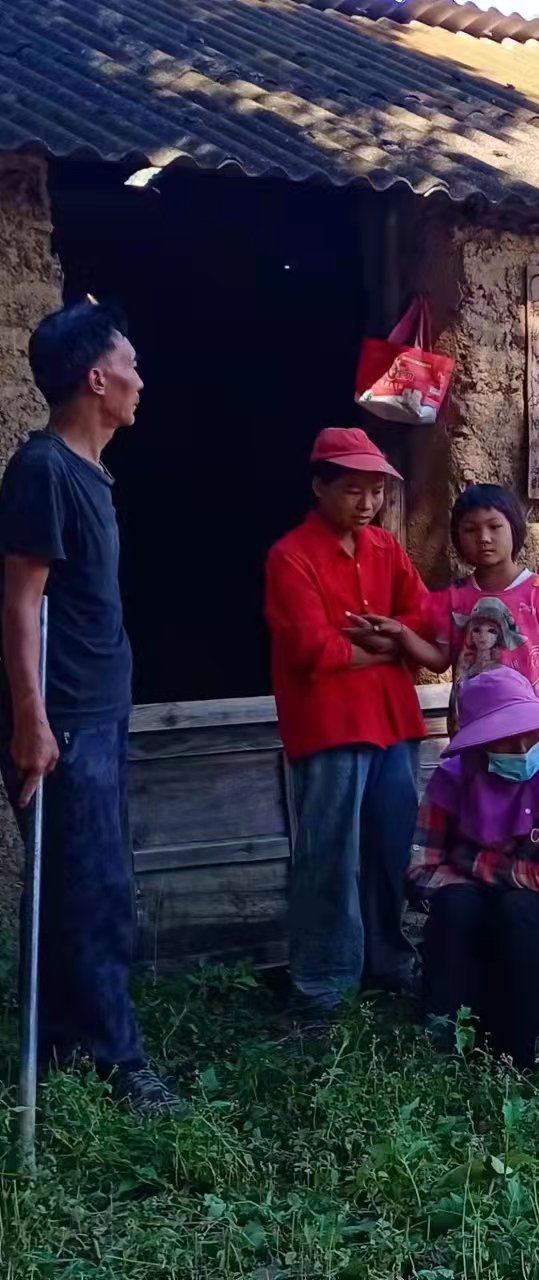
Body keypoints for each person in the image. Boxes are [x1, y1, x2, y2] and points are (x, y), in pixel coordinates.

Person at [0, 301, 185, 1115]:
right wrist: (31, 720)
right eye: (131, 365)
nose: (142, 380)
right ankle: (120, 1064)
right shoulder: (43, 470)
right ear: (97, 379)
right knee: (94, 890)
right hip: (66, 717)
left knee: (79, 885)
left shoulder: (91, 472)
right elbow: (19, 602)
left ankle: (61, 1047)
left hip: (98, 712)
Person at [264, 427, 429, 1015]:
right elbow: (312, 649)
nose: (368, 503)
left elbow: (422, 616)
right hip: (330, 724)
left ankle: (388, 961)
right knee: (329, 853)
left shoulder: (386, 548)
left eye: (376, 491)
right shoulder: (291, 556)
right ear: (320, 487)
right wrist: (391, 646)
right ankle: (322, 981)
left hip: (393, 720)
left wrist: (392, 636)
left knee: (392, 848)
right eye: (354, 490)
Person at [407, 666, 539, 1069]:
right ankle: (444, 1041)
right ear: (480, 745)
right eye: (505, 738)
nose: (522, 747)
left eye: (529, 733)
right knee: (456, 905)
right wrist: (488, 880)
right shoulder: (451, 780)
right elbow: (420, 870)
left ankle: (529, 1053)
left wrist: (468, 860)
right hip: (482, 907)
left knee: (519, 908)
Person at [377, 484, 539, 728]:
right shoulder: (454, 598)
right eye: (470, 529)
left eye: (494, 527)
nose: (484, 538)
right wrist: (403, 633)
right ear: (457, 536)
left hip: (528, 726)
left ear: (514, 527)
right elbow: (440, 661)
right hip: (471, 725)